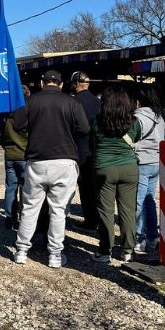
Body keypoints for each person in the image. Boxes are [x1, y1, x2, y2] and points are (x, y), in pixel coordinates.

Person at [11, 70, 89, 268]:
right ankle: (54, 254)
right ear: (62, 84)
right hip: (65, 160)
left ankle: (21, 251)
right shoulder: (72, 103)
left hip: (37, 161)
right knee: (58, 210)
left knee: (29, 208)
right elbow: (85, 129)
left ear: (41, 83)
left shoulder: (32, 102)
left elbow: (18, 124)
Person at [90, 85, 143, 264]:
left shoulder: (97, 121)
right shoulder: (134, 122)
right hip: (129, 168)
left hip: (104, 169)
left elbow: (93, 142)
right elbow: (135, 139)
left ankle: (105, 250)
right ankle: (128, 250)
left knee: (105, 211)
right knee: (128, 211)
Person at [132, 86, 165, 255]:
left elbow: (132, 139)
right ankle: (152, 237)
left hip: (142, 163)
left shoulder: (137, 117)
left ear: (138, 101)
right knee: (149, 200)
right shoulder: (159, 117)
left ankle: (139, 239)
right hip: (156, 163)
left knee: (138, 202)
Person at [70, 71, 101, 230]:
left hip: (79, 150)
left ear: (75, 84)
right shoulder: (98, 102)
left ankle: (90, 220)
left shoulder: (73, 102)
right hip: (97, 149)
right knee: (97, 187)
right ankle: (99, 218)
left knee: (85, 187)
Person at [0, 86, 31, 228]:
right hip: (25, 155)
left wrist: (7, 145)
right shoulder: (28, 114)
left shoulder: (6, 114)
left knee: (10, 188)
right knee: (26, 189)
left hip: (10, 154)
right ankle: (24, 217)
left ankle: (9, 217)